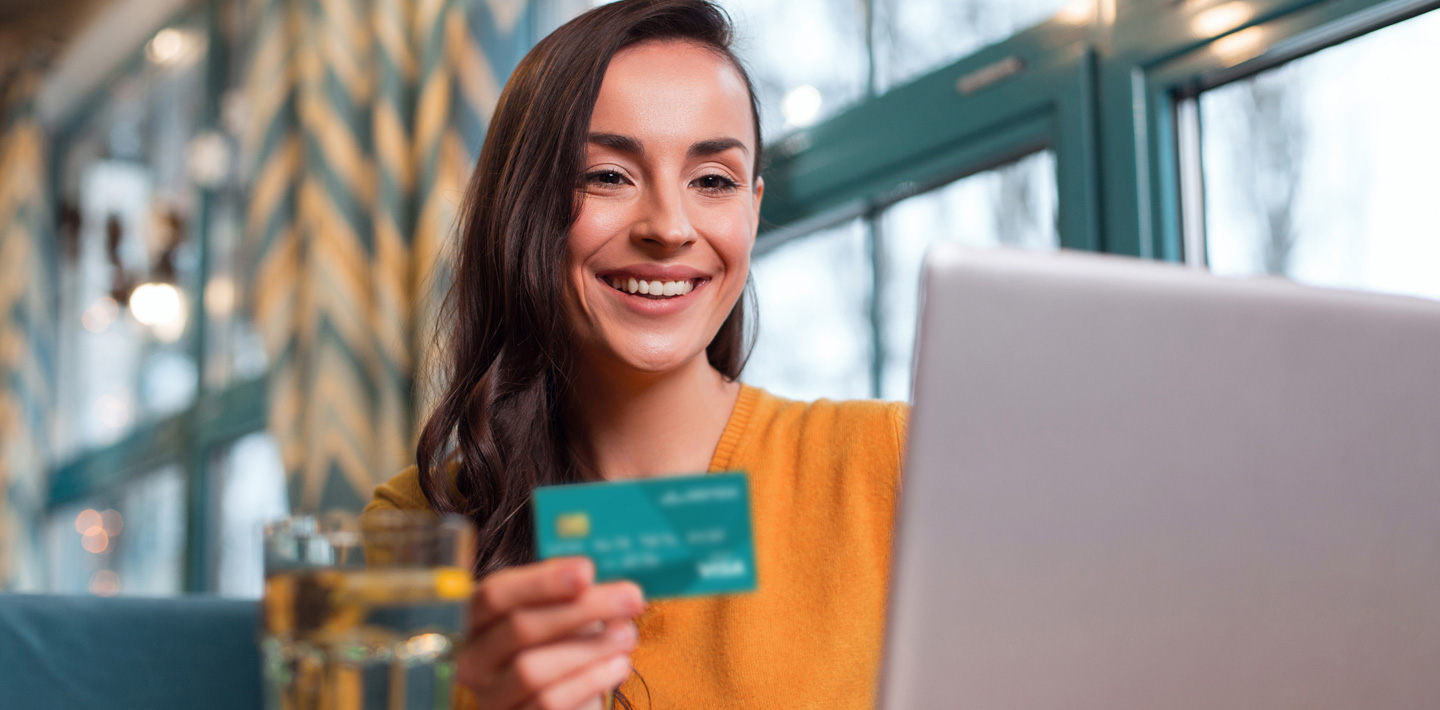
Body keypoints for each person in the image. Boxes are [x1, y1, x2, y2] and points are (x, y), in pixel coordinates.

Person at [363, 1, 908, 708]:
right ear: (519, 205)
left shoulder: (891, 462)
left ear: (752, 207)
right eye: (607, 176)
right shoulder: (413, 529)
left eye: (712, 180)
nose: (669, 227)